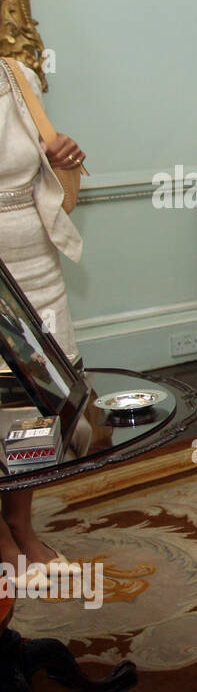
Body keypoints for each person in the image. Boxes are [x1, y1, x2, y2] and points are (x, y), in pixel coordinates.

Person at [0, 57, 85, 589]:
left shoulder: (18, 77)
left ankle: (22, 526)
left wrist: (64, 157)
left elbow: (49, 174)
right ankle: (2, 542)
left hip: (37, 269)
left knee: (31, 403)